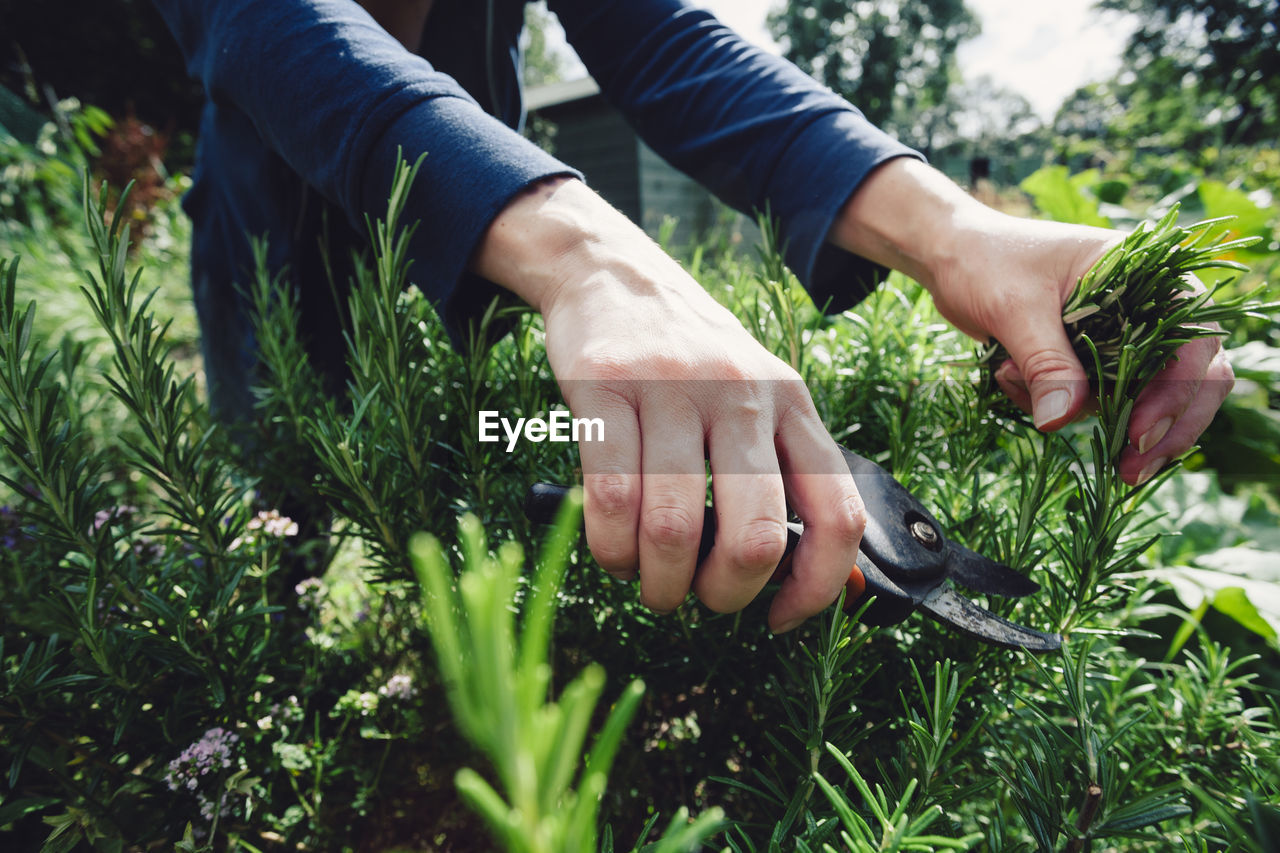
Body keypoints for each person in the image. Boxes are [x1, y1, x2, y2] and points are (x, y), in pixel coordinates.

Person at [151, 0, 1233, 633]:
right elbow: (262, 21)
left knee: (490, 453)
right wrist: (587, 256)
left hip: (491, 274)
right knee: (283, 508)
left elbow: (657, 39)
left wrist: (949, 230)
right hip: (283, 252)